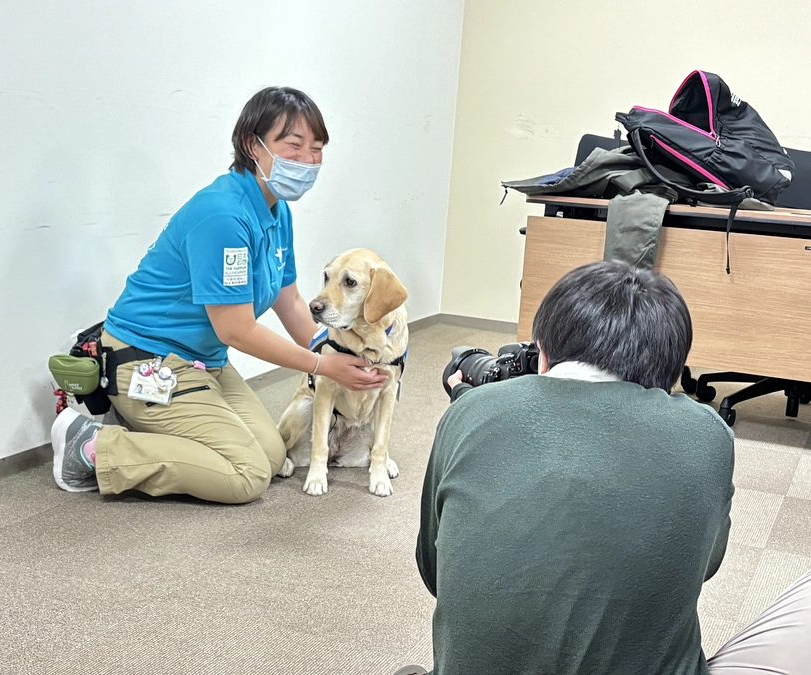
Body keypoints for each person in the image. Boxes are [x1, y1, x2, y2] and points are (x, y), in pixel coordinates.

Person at [396, 260, 811, 675]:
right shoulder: (708, 433)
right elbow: (703, 567)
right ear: (670, 372)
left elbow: (435, 573)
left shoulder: (471, 411)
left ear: (542, 353)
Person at [50, 86, 387, 504]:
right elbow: (237, 330)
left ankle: (154, 422)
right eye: (293, 145)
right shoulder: (223, 215)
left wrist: (344, 355)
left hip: (203, 362)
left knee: (270, 454)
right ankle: (92, 447)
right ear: (253, 144)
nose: (307, 160)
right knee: (244, 476)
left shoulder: (276, 212)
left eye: (317, 148)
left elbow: (293, 304)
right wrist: (324, 365)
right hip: (144, 359)